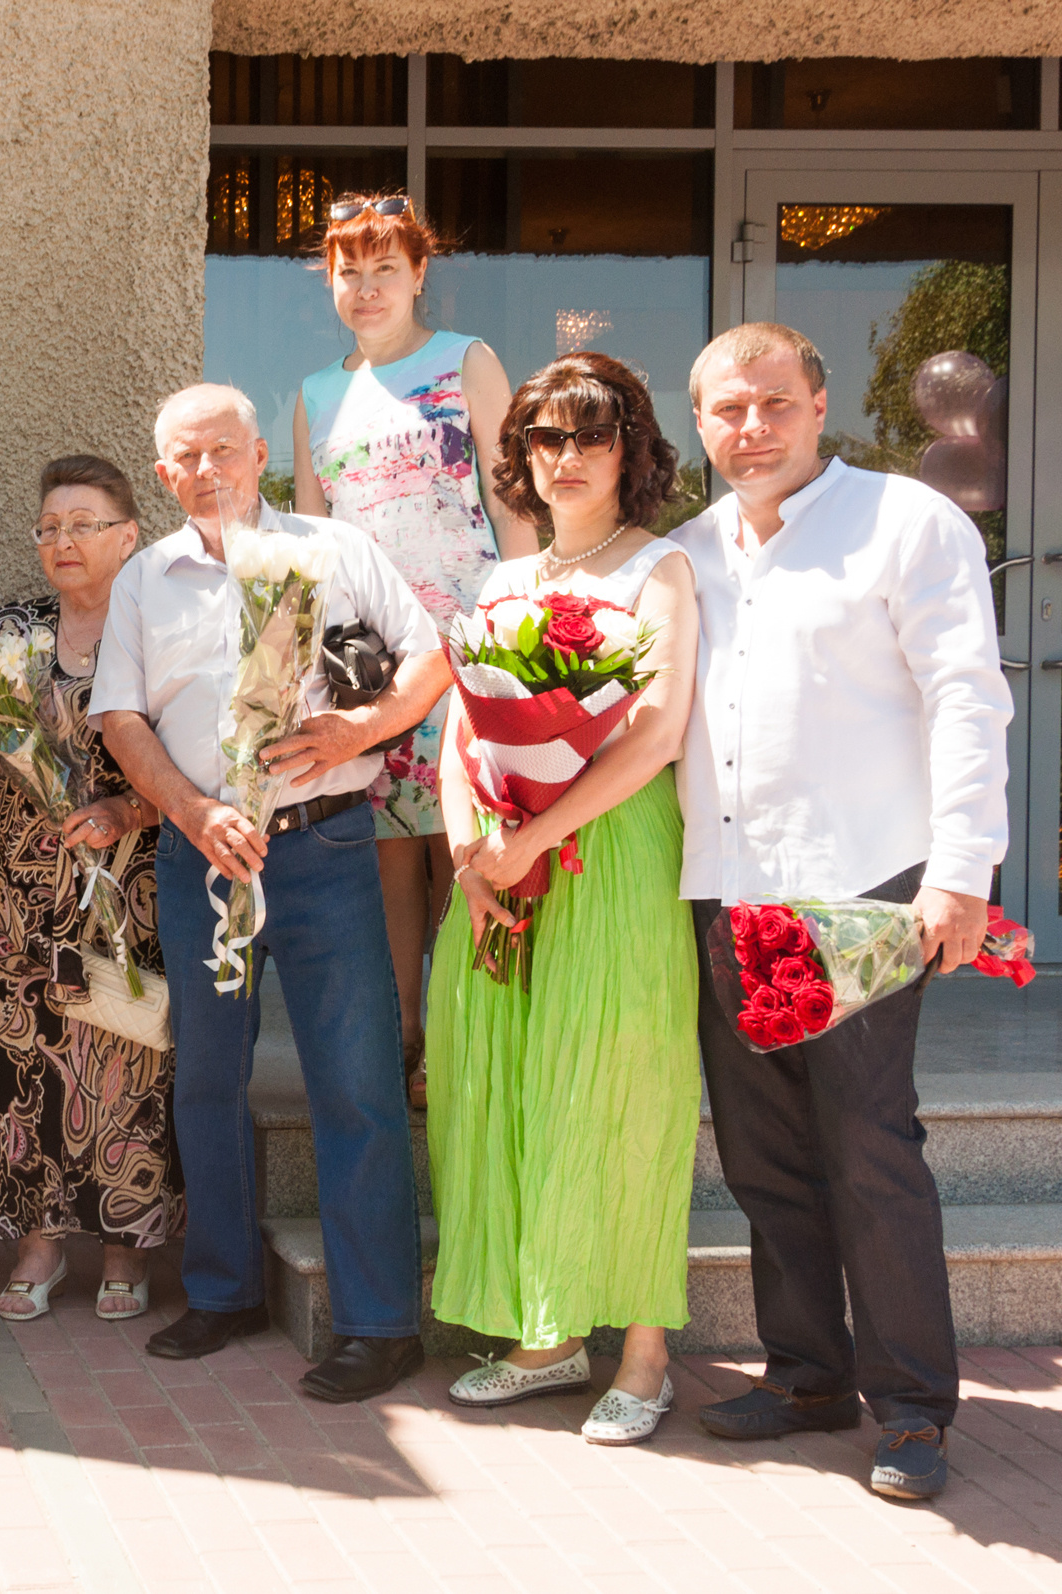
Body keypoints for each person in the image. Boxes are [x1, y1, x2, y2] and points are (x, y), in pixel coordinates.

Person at [675, 323, 1011, 1500]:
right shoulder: (688, 550)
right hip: (732, 887)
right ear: (701, 422)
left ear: (821, 407)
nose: (751, 427)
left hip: (859, 886)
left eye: (774, 403)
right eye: (727, 409)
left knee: (870, 1150)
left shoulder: (908, 524)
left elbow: (968, 697)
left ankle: (913, 1405)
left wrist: (962, 869)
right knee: (767, 1156)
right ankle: (807, 1369)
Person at [94, 383, 442, 1394]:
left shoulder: (338, 551)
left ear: (257, 455)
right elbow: (121, 718)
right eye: (184, 460)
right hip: (201, 850)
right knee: (206, 1077)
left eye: (222, 452)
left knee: (359, 1083)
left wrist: (361, 730)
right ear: (164, 474)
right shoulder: (146, 579)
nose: (206, 472)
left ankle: (380, 1323)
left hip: (326, 848)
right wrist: (191, 812)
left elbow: (428, 662)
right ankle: (223, 1292)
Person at [424, 353, 702, 1445]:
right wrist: (467, 851)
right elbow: (462, 731)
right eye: (547, 437)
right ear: (520, 457)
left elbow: (656, 731)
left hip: (613, 856)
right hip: (500, 868)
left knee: (619, 1082)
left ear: (631, 450)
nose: (568, 456)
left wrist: (538, 832)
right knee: (504, 1079)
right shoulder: (503, 582)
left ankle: (643, 1351)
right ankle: (546, 1334)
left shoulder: (661, 570)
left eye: (592, 435)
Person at [290, 193, 536, 1108]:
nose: (364, 287)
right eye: (347, 271)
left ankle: (461, 1029)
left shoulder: (465, 360)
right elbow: (313, 542)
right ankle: (400, 1034)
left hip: (471, 635)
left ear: (419, 273)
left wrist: (516, 616)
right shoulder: (317, 395)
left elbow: (515, 501)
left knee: (458, 836)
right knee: (388, 846)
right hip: (376, 655)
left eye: (383, 268)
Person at [0, 455, 181, 1322]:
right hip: (18, 884)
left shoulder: (164, 626)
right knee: (20, 1057)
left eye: (83, 524)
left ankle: (126, 1243)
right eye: (49, 527)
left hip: (130, 889)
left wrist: (128, 809)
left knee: (126, 1059)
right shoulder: (14, 627)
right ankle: (38, 1241)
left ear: (129, 535)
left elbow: (202, 758)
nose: (62, 541)